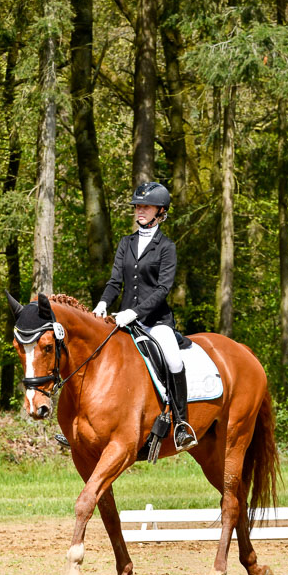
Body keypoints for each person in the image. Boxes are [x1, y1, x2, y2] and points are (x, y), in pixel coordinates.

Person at [93, 182, 197, 451]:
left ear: (160, 212)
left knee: (173, 360)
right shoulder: (125, 243)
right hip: (123, 319)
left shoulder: (167, 247)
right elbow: (115, 281)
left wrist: (135, 312)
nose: (140, 210)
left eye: (145, 207)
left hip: (156, 322)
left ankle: (182, 425)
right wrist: (103, 303)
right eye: (137, 206)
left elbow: (163, 288)